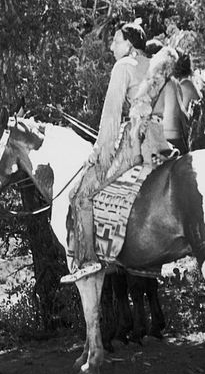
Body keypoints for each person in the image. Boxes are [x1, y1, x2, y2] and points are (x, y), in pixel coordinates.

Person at [63, 20, 174, 284]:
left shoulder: (124, 66)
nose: (111, 47)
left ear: (130, 45)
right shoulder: (156, 67)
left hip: (135, 142)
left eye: (116, 41)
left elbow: (111, 117)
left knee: (79, 195)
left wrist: (98, 153)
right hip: (160, 144)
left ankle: (88, 260)